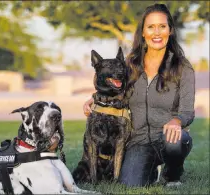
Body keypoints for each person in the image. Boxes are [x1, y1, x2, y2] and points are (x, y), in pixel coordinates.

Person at [83, 3, 194, 187]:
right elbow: (115, 88)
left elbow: (188, 110)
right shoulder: (131, 65)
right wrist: (95, 99)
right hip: (138, 141)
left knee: (176, 140)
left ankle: (172, 173)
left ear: (170, 31)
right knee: (130, 184)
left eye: (162, 26)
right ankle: (152, 170)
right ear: (143, 32)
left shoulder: (182, 67)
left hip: (168, 136)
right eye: (150, 27)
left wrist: (177, 121)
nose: (156, 33)